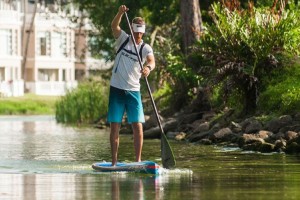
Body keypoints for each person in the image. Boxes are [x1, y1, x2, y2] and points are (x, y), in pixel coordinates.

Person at [108, 5, 155, 166]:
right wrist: (120, 13)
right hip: (117, 89)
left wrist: (148, 68)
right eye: (136, 32)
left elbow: (151, 61)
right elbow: (114, 26)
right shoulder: (122, 38)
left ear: (143, 32)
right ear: (132, 29)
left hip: (134, 91)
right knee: (115, 126)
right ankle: (114, 162)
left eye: (141, 32)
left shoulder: (145, 47)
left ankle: (138, 161)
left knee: (138, 126)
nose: (138, 35)